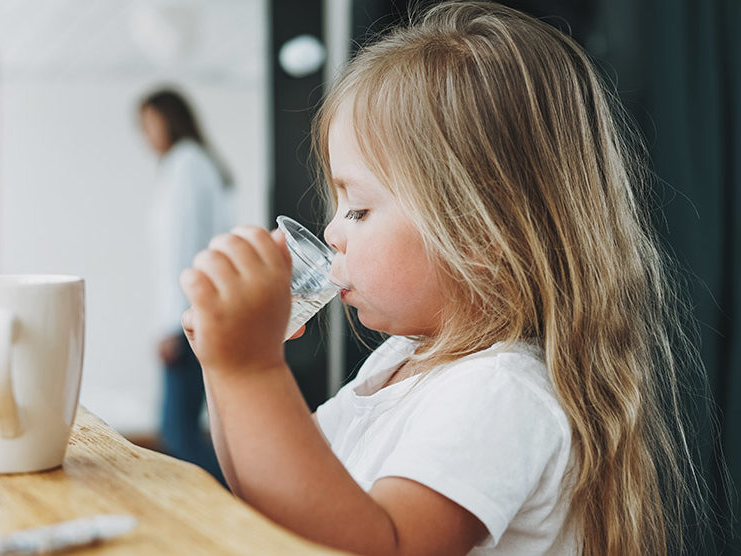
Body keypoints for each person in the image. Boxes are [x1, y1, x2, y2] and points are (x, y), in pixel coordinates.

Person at [178, 2, 709, 554]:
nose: (331, 232)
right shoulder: (399, 362)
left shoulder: (501, 392)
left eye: (357, 209)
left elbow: (385, 545)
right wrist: (224, 367)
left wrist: (252, 369)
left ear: (478, 235)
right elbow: (278, 499)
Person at [138, 88, 233, 486]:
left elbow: (183, 248)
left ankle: (239, 507)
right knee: (182, 428)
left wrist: (172, 325)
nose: (146, 135)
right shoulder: (195, 164)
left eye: (149, 124)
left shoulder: (185, 164)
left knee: (177, 432)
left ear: (169, 119)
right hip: (197, 309)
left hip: (190, 315)